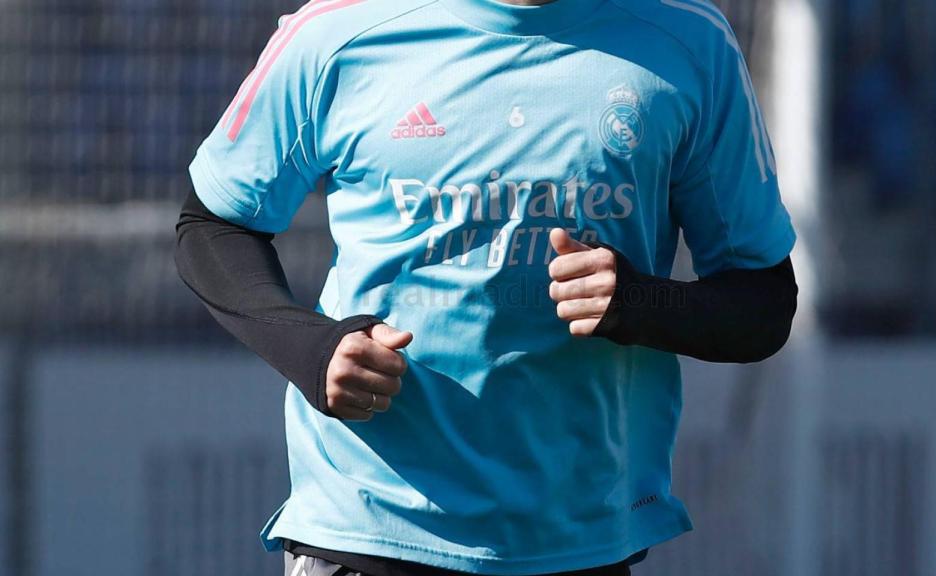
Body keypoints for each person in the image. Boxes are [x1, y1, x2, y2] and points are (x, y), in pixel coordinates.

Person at [174, 0, 799, 574]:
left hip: (581, 537)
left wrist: (641, 304)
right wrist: (312, 349)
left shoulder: (688, 38)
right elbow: (212, 225)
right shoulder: (339, 30)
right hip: (366, 529)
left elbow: (763, 303)